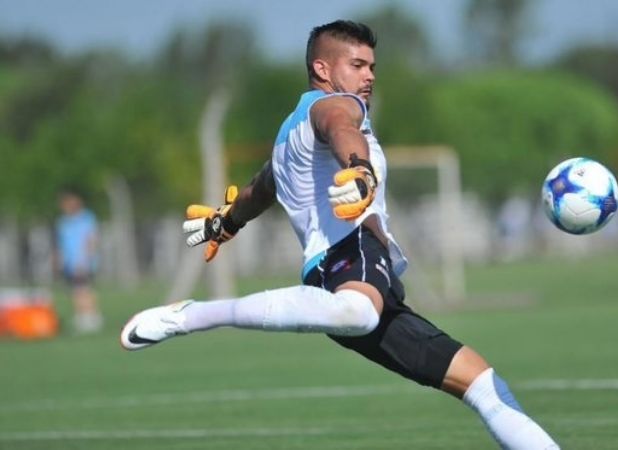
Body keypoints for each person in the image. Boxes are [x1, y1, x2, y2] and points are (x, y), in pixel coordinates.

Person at [121, 20, 559, 449]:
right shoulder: (334, 107)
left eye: (372, 66)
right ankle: (192, 316)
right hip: (353, 259)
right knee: (357, 313)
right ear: (323, 69)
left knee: (484, 386)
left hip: (350, 282)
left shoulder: (291, 132)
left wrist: (226, 222)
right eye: (357, 64)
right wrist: (361, 170)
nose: (368, 75)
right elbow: (343, 129)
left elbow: (262, 189)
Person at [56, 187, 103, 333]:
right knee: (75, 290)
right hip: (70, 263)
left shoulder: (87, 218)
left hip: (83, 262)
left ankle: (91, 316)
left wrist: (85, 259)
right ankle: (82, 315)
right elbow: (62, 243)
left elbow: (92, 240)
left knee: (84, 289)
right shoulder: (63, 222)